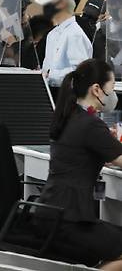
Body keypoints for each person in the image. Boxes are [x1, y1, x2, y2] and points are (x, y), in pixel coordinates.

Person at [36, 59, 122, 269]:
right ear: (96, 89)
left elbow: (89, 150)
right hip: (69, 221)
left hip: (48, 213)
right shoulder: (91, 125)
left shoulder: (68, 115)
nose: (113, 97)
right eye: (111, 89)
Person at [36, 0, 92, 89]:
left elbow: (80, 74)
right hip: (50, 92)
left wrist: (50, 75)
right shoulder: (52, 34)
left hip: (67, 98)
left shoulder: (75, 35)